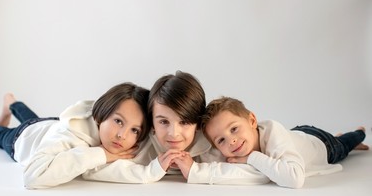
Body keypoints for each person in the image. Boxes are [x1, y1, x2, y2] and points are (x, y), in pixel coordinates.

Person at [83, 71, 269, 185]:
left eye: (185, 122)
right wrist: (152, 170)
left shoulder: (216, 142)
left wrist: (196, 172)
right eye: (163, 122)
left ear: (197, 124)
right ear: (152, 123)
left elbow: (262, 174)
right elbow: (90, 170)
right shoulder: (135, 140)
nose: (174, 133)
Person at [0, 83, 150, 189]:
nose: (122, 136)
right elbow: (32, 178)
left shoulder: (115, 138)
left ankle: (10, 103)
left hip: (48, 125)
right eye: (119, 121)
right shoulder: (67, 137)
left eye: (135, 130)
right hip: (21, 137)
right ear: (101, 115)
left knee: (33, 119)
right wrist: (102, 154)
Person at [198, 96, 369, 189]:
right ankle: (337, 136)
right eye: (221, 140)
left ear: (252, 121)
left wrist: (251, 157)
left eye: (234, 129)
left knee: (345, 143)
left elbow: (294, 179)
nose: (231, 140)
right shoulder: (234, 147)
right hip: (296, 134)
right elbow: (204, 157)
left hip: (324, 145)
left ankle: (358, 133)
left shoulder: (273, 131)